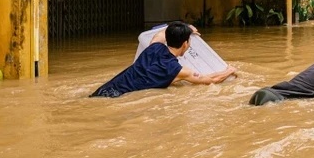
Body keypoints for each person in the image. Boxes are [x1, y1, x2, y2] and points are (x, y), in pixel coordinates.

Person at [91, 21, 236, 98]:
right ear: (185, 44)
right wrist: (229, 70)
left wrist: (186, 27)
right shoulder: (178, 70)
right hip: (117, 97)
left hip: (105, 90)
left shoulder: (153, 46)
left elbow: (163, 32)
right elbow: (210, 81)